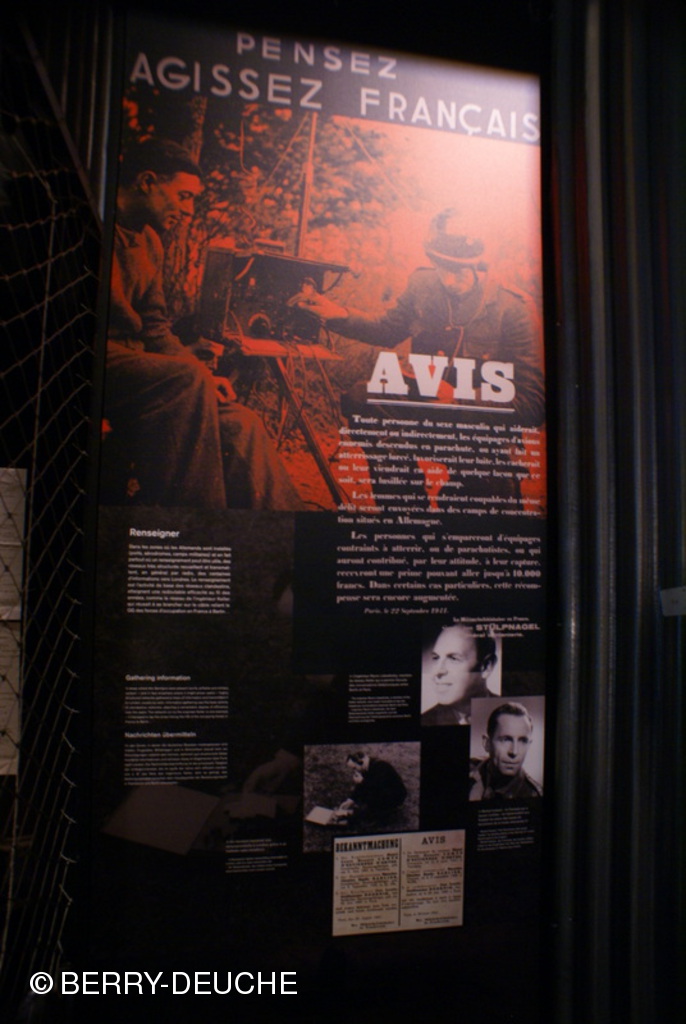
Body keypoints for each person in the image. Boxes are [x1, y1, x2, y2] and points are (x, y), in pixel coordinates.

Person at [295, 209, 544, 508]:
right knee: (364, 398)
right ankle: (405, 510)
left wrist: (460, 400)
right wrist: (338, 314)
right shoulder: (422, 285)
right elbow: (388, 328)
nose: (449, 280)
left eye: (459, 270)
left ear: (478, 263)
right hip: (427, 415)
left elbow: (533, 403)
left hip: (479, 431)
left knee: (474, 514)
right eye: (442, 267)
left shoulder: (513, 309)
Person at [104, 137, 302, 509]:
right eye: (184, 196)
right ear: (146, 182)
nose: (189, 210)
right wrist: (191, 373)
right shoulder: (95, 227)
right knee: (187, 377)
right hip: (100, 359)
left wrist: (205, 376)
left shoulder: (150, 243)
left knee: (241, 422)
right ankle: (199, 529)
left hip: (142, 368)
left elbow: (155, 328)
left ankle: (289, 533)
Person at [422, 624, 498, 726]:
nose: (438, 671)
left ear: (486, 666)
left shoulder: (509, 708)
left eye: (453, 658)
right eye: (436, 658)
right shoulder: (425, 721)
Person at [469, 701, 543, 800]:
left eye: (522, 741)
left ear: (529, 745)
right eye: (506, 740)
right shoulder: (470, 767)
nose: (514, 752)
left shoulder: (535, 795)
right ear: (487, 743)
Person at [333, 751, 407, 826]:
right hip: (383, 791)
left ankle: (384, 813)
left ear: (361, 762)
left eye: (354, 768)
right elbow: (362, 786)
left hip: (395, 795)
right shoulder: (365, 766)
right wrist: (351, 800)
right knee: (366, 797)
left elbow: (378, 788)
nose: (355, 771)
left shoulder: (381, 766)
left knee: (369, 804)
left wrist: (362, 781)